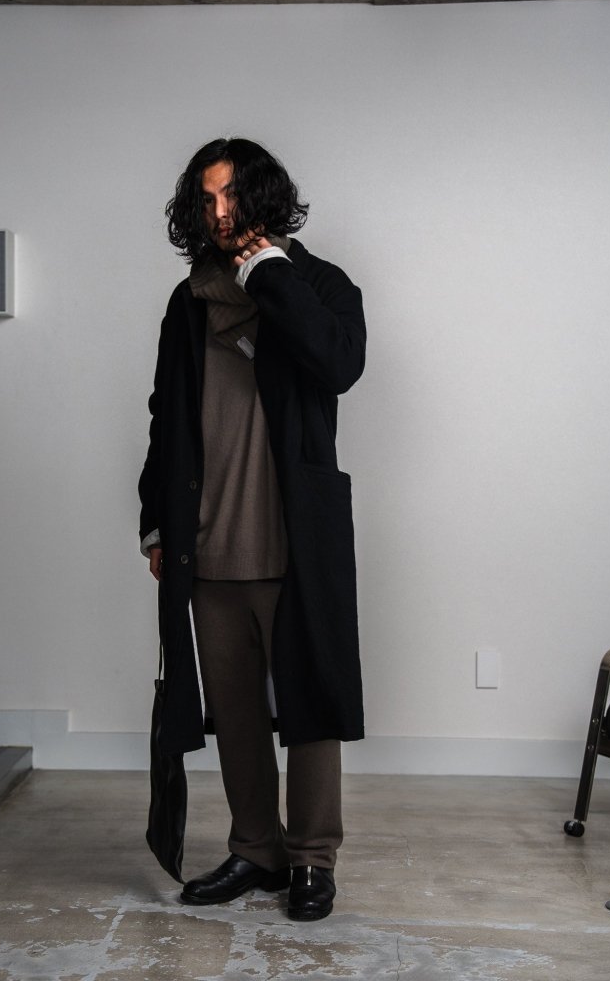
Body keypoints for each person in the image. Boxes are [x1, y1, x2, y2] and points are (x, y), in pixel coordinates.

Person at [138, 137, 365, 921]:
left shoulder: (319, 285)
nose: (219, 211)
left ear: (263, 195)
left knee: (310, 706)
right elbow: (165, 416)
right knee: (234, 711)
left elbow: (337, 365)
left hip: (295, 540)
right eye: (206, 198)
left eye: (232, 193)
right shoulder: (189, 301)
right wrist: (155, 524)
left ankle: (311, 860)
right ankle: (256, 850)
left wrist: (267, 270)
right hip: (207, 542)